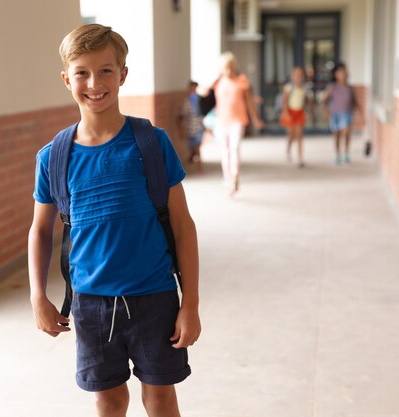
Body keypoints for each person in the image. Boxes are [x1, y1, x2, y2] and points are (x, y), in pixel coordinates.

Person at [28, 24, 201, 417]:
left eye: (106, 70)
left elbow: (182, 226)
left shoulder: (152, 144)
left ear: (123, 74)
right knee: (108, 400)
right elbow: (40, 231)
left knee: (160, 398)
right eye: (82, 72)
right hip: (90, 305)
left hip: (155, 298)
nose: (94, 83)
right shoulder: (53, 157)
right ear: (66, 79)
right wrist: (38, 295)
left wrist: (190, 303)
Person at [213, 52, 263, 196]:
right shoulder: (218, 82)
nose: (228, 71)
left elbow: (248, 101)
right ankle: (228, 179)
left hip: (237, 120)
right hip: (221, 120)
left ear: (234, 66)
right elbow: (209, 98)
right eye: (225, 68)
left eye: (230, 67)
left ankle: (235, 176)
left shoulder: (242, 81)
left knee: (234, 148)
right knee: (224, 151)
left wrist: (255, 118)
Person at [323, 62, 358, 165]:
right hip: (335, 114)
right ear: (335, 74)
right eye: (340, 72)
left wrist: (359, 112)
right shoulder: (332, 87)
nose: (342, 74)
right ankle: (337, 155)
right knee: (337, 136)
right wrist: (325, 111)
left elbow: (355, 101)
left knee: (346, 132)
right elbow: (323, 100)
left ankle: (346, 153)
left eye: (344, 71)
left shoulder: (350, 88)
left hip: (347, 113)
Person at [280, 67, 312, 168]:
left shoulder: (304, 88)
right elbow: (284, 101)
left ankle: (300, 158)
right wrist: (285, 113)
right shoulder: (289, 88)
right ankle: (288, 151)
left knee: (299, 136)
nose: (298, 77)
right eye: (296, 75)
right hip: (290, 112)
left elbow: (307, 101)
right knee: (291, 135)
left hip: (299, 113)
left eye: (300, 75)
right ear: (292, 77)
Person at [178, 80, 205, 172]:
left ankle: (199, 166)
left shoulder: (200, 99)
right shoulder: (187, 101)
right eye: (192, 88)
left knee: (197, 146)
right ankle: (193, 157)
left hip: (199, 127)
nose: (194, 90)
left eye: (195, 88)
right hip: (190, 128)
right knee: (193, 147)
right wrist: (181, 129)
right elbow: (181, 115)